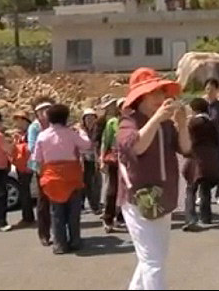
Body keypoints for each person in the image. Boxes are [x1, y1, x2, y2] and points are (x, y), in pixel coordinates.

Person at [117, 67, 191, 290]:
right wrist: (157, 118)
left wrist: (182, 122)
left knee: (153, 258)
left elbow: (186, 148)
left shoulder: (166, 124)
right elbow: (136, 146)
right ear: (140, 98)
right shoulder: (127, 123)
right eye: (155, 94)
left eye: (162, 93)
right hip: (139, 200)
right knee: (153, 261)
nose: (161, 98)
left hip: (162, 197)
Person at [32, 104, 91, 255]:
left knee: (56, 212)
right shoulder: (70, 133)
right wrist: (82, 132)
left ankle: (59, 244)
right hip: (71, 175)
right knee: (73, 212)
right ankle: (75, 241)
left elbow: (37, 159)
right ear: (65, 117)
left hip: (52, 177)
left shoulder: (42, 136)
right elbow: (87, 145)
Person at [182, 98, 219, 231]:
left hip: (195, 158)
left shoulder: (192, 123)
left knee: (190, 189)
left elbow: (186, 141)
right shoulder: (212, 123)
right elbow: (217, 141)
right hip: (210, 158)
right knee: (205, 189)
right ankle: (206, 217)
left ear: (195, 109)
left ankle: (190, 217)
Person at [28, 96, 55, 247]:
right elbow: (32, 147)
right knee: (43, 201)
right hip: (41, 167)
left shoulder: (54, 125)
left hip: (55, 166)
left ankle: (58, 232)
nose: (45, 113)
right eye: (42, 110)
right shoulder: (35, 128)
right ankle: (44, 234)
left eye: (48, 110)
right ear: (37, 113)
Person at [100, 98, 126, 233]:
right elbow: (106, 141)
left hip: (130, 160)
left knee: (127, 190)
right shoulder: (112, 122)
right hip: (115, 159)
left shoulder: (134, 122)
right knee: (113, 189)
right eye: (123, 106)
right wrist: (101, 159)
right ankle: (108, 218)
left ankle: (122, 217)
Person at [11, 110, 35, 227]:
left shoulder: (31, 132)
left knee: (25, 191)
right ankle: (27, 216)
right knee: (24, 191)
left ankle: (28, 217)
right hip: (21, 165)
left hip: (28, 165)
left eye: (19, 120)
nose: (17, 123)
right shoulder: (20, 134)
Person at [81, 108, 102, 215]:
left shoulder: (98, 130)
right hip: (85, 159)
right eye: (87, 118)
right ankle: (92, 206)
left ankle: (96, 203)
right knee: (87, 183)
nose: (90, 120)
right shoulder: (81, 131)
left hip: (96, 158)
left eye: (92, 118)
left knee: (98, 182)